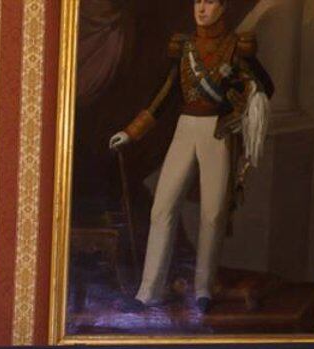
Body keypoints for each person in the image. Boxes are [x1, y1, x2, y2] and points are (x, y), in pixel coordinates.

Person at [109, 0, 272, 308]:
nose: (201, 9)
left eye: (209, 2)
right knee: (162, 207)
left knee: (212, 214)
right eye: (198, 1)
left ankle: (203, 290)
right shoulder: (184, 48)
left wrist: (241, 98)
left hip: (218, 131)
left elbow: (264, 88)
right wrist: (131, 132)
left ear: (223, 8)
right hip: (185, 127)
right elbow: (165, 95)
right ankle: (148, 291)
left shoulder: (238, 47)